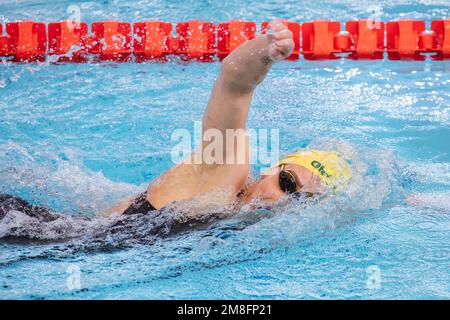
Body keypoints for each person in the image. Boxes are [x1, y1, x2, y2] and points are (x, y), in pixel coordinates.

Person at [109, 20, 352, 217]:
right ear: (270, 169)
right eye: (287, 183)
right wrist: (266, 52)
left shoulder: (243, 222)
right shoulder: (225, 173)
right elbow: (233, 84)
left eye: (300, 201)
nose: (283, 200)